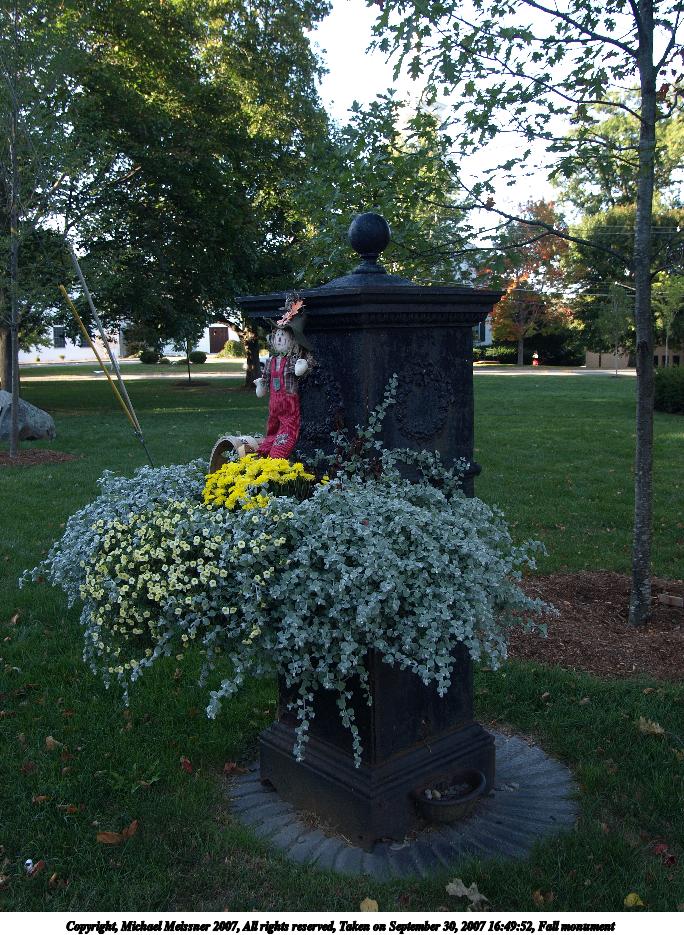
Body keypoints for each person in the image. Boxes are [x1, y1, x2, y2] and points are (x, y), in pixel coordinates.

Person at [254, 295, 314, 459]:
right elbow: (264, 384)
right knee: (272, 429)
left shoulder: (291, 361)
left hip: (288, 402)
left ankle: (277, 455)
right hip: (274, 404)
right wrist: (261, 384)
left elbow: (299, 371)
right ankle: (265, 451)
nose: (279, 338)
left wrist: (301, 365)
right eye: (277, 335)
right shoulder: (270, 362)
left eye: (283, 335)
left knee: (287, 430)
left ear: (292, 340)